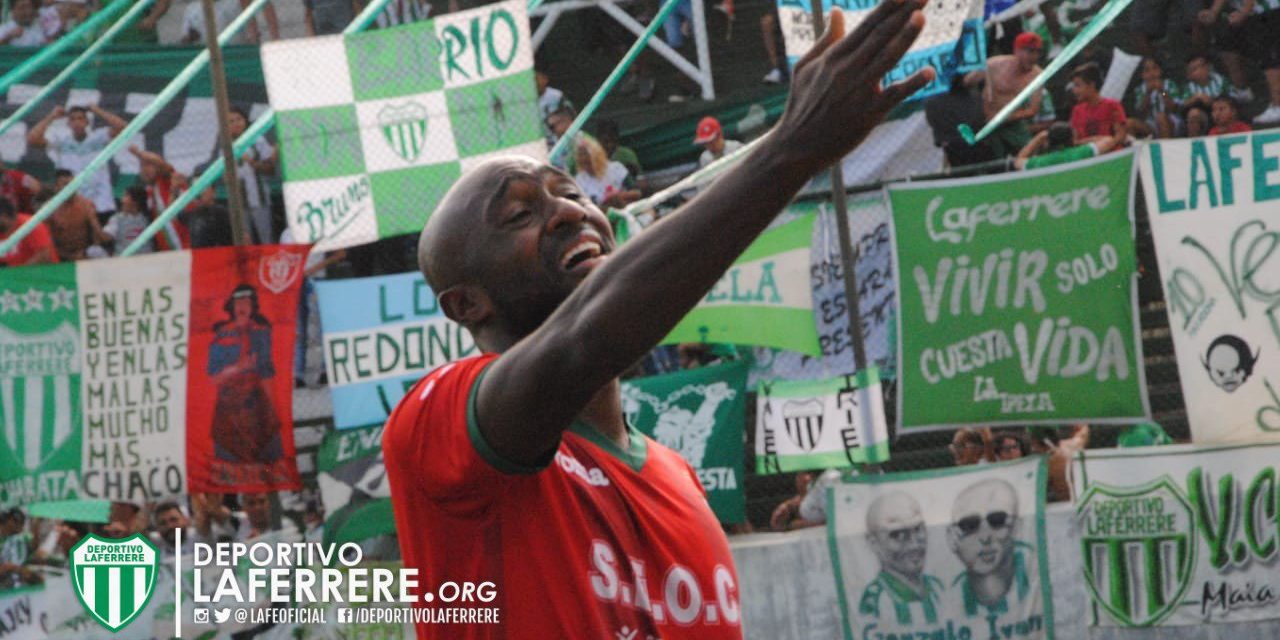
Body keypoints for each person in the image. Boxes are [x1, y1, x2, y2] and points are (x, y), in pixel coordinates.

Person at [382, 2, 935, 636]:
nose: (568, 213)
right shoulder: (434, 426)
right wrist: (790, 149)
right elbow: (582, 338)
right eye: (518, 216)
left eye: (569, 191)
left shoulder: (677, 478)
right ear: (467, 304)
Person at [208, 284, 283, 465]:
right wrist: (237, 368)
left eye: (247, 302)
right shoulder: (222, 335)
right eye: (238, 302)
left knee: (266, 460)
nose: (242, 306)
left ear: (253, 306)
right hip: (230, 412)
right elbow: (213, 377)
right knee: (230, 462)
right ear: (231, 306)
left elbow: (267, 372)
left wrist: (272, 411)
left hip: (257, 408)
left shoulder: (262, 332)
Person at [27, 104, 127, 223]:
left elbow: (122, 127)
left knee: (103, 239)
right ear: (68, 124)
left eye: (80, 118)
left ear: (87, 122)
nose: (77, 122)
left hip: (101, 204)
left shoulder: (98, 137)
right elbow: (32, 139)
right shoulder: (61, 141)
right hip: (73, 206)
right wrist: (51, 116)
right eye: (73, 119)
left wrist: (97, 110)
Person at [948, 479, 1030, 618]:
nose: (985, 537)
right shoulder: (946, 594)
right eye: (969, 525)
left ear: (1016, 527)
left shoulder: (1034, 573)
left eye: (997, 521)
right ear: (953, 536)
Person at [860, 492, 941, 625]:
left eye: (918, 529)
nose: (914, 544)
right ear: (873, 542)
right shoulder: (875, 602)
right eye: (898, 534)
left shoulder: (938, 587)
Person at [967, 32, 1045, 159]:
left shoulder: (1037, 75)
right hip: (986, 123)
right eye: (1030, 51)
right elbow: (967, 82)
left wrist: (1002, 118)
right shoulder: (994, 65)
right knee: (990, 160)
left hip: (1013, 124)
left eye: (1038, 52)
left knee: (1028, 155)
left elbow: (1032, 110)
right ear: (1017, 50)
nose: (1034, 56)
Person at [226, 106, 277, 244]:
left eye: (238, 119)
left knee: (266, 240)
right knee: (245, 242)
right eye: (231, 121)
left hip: (259, 200)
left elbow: (270, 169)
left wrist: (252, 163)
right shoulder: (225, 146)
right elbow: (225, 177)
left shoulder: (257, 140)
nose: (236, 123)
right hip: (239, 203)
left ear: (245, 121)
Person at [925, 74, 994, 167]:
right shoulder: (975, 97)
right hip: (977, 145)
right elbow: (981, 119)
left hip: (955, 147)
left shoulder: (931, 102)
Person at [1014, 121, 1125, 169]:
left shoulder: (1040, 162)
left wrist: (1039, 137)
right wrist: (1078, 142)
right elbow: (1109, 140)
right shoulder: (1081, 153)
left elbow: (1018, 161)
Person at [46, 172, 107, 261]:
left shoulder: (86, 205)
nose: (71, 188)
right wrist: (66, 255)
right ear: (56, 187)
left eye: (73, 184)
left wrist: (93, 221)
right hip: (59, 256)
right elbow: (46, 241)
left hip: (83, 254)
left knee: (96, 251)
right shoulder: (49, 209)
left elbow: (98, 236)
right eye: (66, 184)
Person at [573, 136, 639, 208]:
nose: (583, 158)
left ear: (596, 155)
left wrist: (620, 196)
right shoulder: (579, 180)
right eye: (580, 155)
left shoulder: (616, 168)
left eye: (586, 154)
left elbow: (637, 192)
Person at [1068, 62, 1127, 141]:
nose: (1075, 91)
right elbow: (1074, 141)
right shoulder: (1077, 110)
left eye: (1078, 85)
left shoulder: (1112, 106)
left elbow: (1120, 137)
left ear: (1092, 85)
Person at [1128, 57, 1181, 139]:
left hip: (1171, 122)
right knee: (1129, 123)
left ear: (1160, 71)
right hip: (1150, 125)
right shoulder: (1140, 89)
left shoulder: (1169, 84)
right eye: (1147, 70)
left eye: (1154, 68)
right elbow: (1141, 113)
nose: (1152, 73)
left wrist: (1162, 91)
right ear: (1142, 75)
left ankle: (1166, 148)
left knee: (1161, 117)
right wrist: (1148, 94)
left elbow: (1174, 108)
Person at [0, 198, 56, 266]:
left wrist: (19, 272)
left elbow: (44, 255)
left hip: (41, 272)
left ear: (4, 216)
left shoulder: (31, 225)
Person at [102, 184, 153, 255]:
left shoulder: (148, 218)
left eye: (125, 196)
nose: (122, 200)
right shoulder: (117, 219)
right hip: (124, 261)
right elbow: (105, 238)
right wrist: (93, 220)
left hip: (147, 259)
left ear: (135, 202)